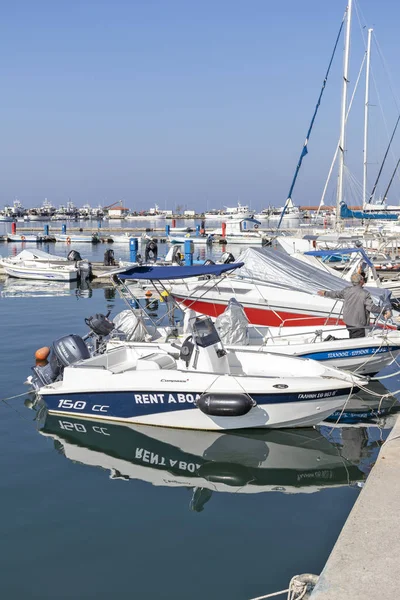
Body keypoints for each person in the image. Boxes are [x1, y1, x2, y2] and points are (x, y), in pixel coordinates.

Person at [317, 272, 392, 338]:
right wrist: (384, 310)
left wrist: (325, 293)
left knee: (352, 336)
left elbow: (336, 294)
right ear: (361, 281)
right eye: (362, 279)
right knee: (357, 340)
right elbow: (371, 307)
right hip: (358, 324)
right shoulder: (365, 293)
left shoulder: (347, 290)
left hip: (348, 322)